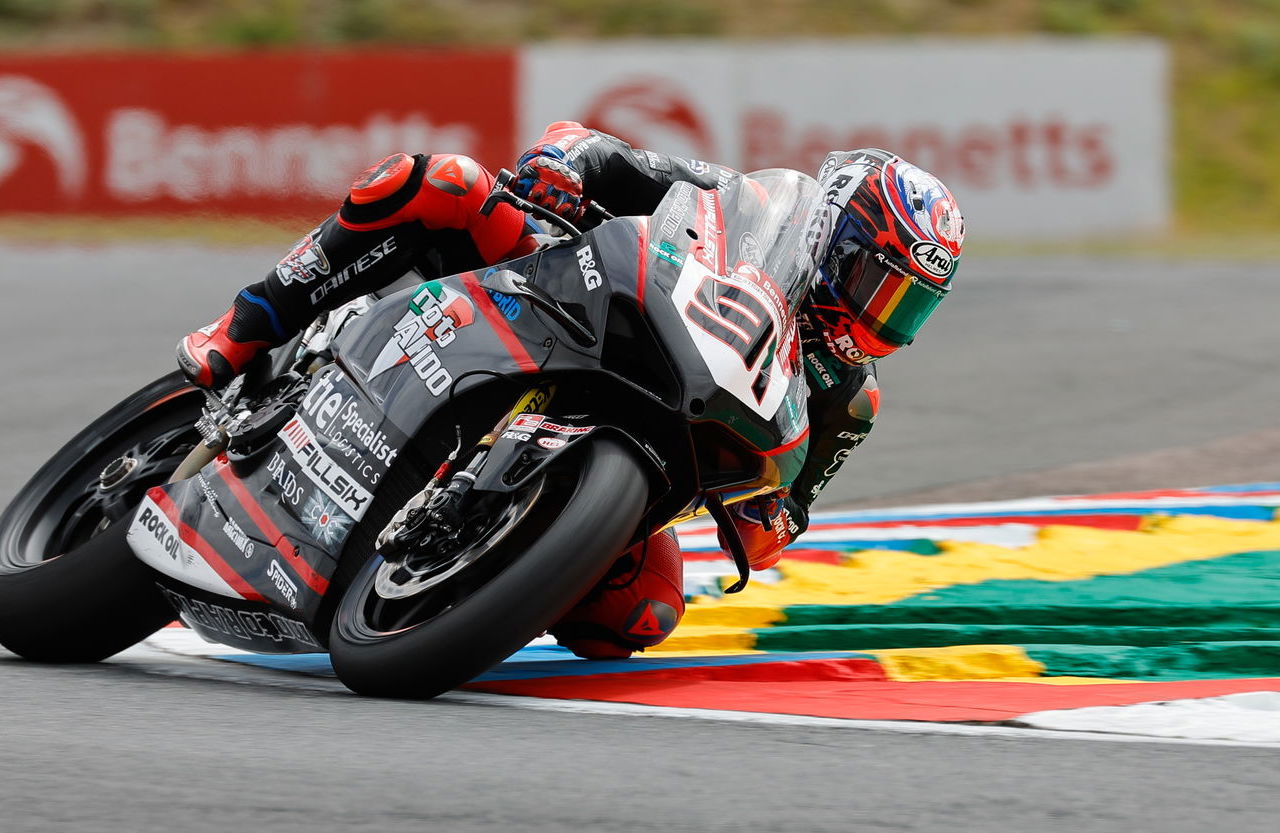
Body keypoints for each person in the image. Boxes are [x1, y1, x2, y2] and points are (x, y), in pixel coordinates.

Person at [177, 122, 964, 659]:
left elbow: (786, 512)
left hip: (655, 438)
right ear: (833, 234)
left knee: (641, 611)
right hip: (564, 296)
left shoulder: (848, 400)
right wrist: (560, 170)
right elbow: (595, 149)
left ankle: (469, 576)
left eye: (905, 307)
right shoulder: (745, 204)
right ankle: (242, 328)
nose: (874, 315)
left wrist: (761, 512)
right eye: (873, 281)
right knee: (439, 182)